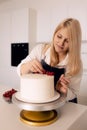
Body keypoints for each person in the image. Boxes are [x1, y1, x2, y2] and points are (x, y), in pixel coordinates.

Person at [17, 18, 83, 103]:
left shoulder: (76, 64)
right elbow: (20, 70)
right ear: (55, 33)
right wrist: (28, 65)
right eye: (59, 36)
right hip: (41, 102)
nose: (61, 43)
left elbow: (74, 93)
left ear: (73, 44)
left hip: (66, 105)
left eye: (67, 41)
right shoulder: (40, 50)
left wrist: (63, 90)